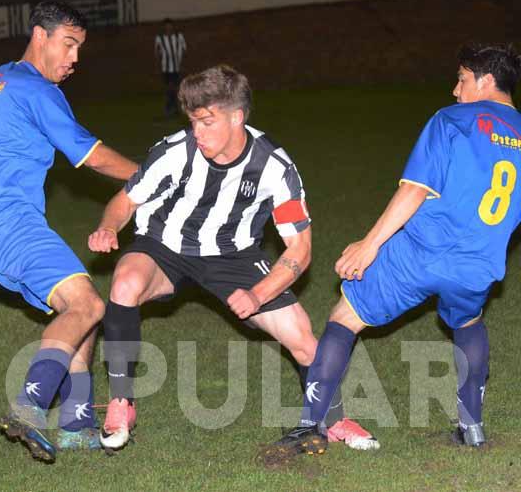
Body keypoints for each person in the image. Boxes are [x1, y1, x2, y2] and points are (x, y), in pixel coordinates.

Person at [88, 64, 378, 452]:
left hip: (233, 255)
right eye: (193, 122)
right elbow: (125, 200)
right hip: (166, 246)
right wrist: (110, 227)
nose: (197, 132)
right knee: (124, 283)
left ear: (237, 117)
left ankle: (333, 417)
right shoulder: (175, 152)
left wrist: (257, 295)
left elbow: (300, 249)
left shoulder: (273, 167)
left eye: (207, 122)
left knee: (303, 339)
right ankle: (122, 402)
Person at [271, 44, 521, 458]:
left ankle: (309, 427)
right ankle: (471, 427)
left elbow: (415, 189)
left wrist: (370, 245)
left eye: (461, 78)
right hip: (480, 264)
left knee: (344, 317)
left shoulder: (452, 120)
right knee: (469, 320)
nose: (455, 90)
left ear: (486, 80)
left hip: (421, 252)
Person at [0, 1, 138, 462]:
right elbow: (93, 156)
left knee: (77, 306)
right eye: (69, 44)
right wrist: (152, 176)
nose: (74, 58)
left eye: (79, 47)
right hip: (12, 226)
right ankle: (29, 406)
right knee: (88, 304)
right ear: (40, 35)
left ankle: (77, 423)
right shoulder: (38, 90)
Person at [154, 18, 187, 117]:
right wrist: (158, 67)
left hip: (177, 67)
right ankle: (170, 108)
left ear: (172, 27)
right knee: (169, 88)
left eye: (170, 26)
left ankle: (173, 108)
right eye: (166, 27)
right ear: (164, 28)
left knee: (175, 88)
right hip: (166, 68)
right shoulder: (159, 38)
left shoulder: (179, 36)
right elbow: (157, 52)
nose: (168, 28)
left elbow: (184, 49)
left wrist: (182, 64)